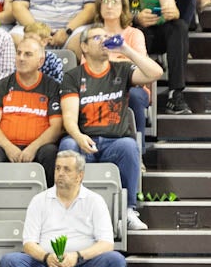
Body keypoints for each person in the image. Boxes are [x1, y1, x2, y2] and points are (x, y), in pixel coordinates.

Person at [0, 150, 128, 267]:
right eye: (58, 168)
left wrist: (78, 256)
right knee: (9, 262)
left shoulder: (94, 201)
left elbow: (106, 243)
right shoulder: (39, 200)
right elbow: (28, 243)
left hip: (82, 265)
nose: (60, 173)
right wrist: (46, 256)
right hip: (45, 264)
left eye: (67, 169)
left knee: (115, 260)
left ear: (80, 175)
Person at [61, 24, 159, 228]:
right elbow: (69, 117)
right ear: (84, 47)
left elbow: (155, 73)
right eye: (97, 38)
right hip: (84, 139)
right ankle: (67, 209)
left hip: (115, 142)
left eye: (106, 36)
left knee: (130, 146)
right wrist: (79, 136)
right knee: (67, 147)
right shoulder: (73, 76)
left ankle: (129, 210)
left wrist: (126, 50)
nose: (104, 40)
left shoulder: (122, 69)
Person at [100, 0, 189, 115]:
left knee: (179, 26)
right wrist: (135, 18)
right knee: (135, 33)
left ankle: (175, 94)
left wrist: (171, 11)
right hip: (128, 30)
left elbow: (170, 5)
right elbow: (104, 9)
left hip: (156, 28)